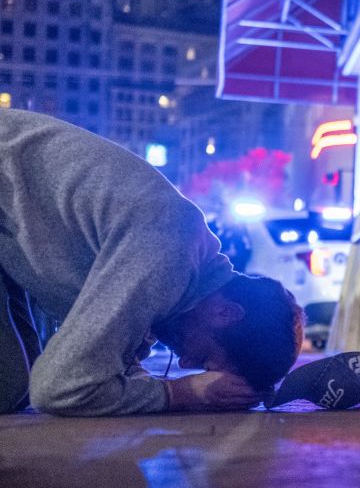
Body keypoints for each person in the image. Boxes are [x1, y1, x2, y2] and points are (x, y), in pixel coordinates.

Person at [0, 110, 304, 416]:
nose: (185, 364)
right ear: (225, 313)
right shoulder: (170, 250)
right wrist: (181, 393)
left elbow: (110, 363)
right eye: (205, 361)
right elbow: (58, 388)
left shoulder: (187, 268)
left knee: (10, 387)